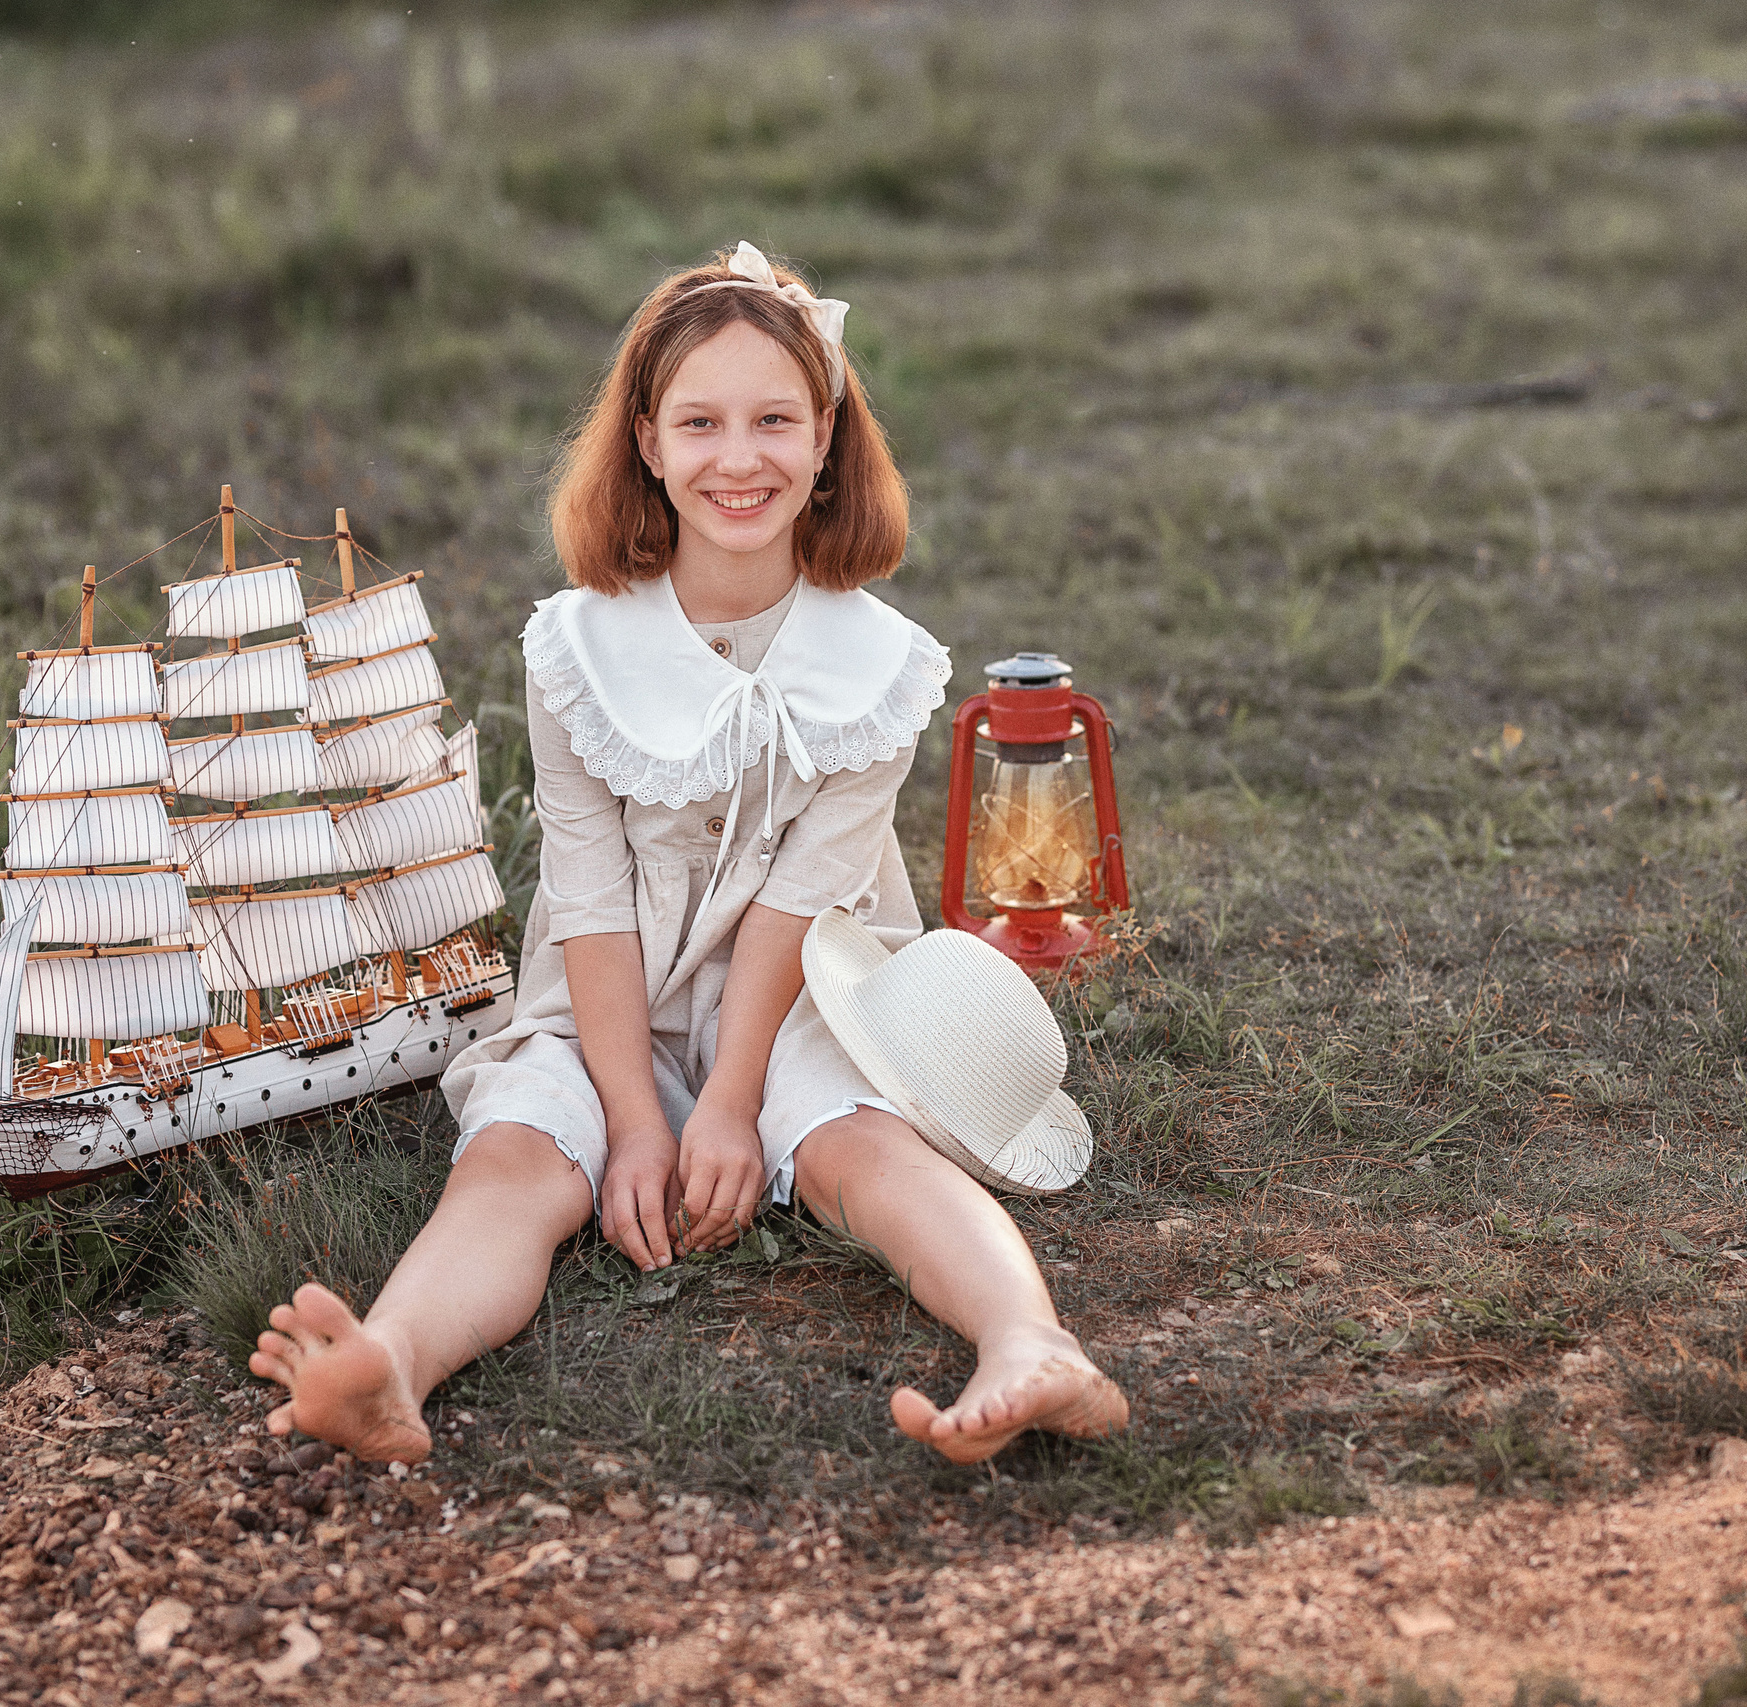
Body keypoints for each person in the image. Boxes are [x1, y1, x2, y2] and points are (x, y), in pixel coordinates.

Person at [249, 242, 1128, 1467]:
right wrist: (632, 1118)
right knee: (517, 1160)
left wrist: (728, 1106)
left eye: (774, 420)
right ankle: (393, 1361)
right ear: (648, 443)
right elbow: (589, 898)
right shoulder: (575, 648)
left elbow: (802, 898)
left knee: (860, 1154)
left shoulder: (876, 663)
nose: (739, 457)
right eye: (700, 422)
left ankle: (1031, 1343)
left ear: (825, 440)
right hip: (611, 988)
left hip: (808, 981)